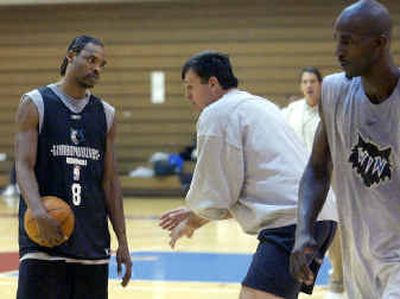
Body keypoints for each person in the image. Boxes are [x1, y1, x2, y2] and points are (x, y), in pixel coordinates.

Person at [159, 51, 337, 299]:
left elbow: (217, 193)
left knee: (253, 295)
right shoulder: (258, 105)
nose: (187, 95)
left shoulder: (217, 114)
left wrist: (194, 217)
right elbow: (236, 190)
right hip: (319, 215)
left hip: (291, 221)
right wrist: (195, 216)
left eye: (190, 87)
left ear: (212, 83)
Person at [290, 1, 400, 298]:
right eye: (337, 39)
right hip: (358, 258)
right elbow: (317, 168)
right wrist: (303, 231)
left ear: (379, 44)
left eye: (348, 42)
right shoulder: (336, 91)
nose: (338, 51)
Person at [15, 35, 132, 299]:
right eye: (91, 60)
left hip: (91, 241)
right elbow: (23, 166)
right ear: (70, 56)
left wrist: (122, 241)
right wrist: (38, 211)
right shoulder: (36, 103)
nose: (96, 68)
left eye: (102, 64)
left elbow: (111, 181)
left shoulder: (106, 114)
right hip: (44, 239)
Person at [282, 67, 344, 296]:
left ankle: (338, 282)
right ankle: (296, 283)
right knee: (299, 234)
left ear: (320, 85)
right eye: (305, 81)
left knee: (337, 237)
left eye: (313, 81)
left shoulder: (330, 111)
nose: (309, 85)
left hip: (332, 181)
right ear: (301, 86)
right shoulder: (290, 112)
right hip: (301, 185)